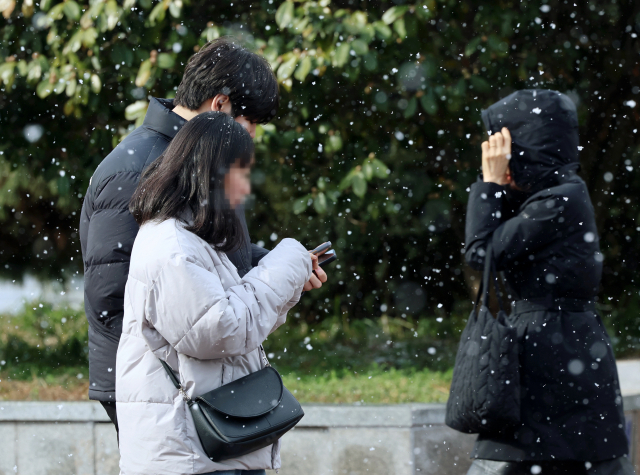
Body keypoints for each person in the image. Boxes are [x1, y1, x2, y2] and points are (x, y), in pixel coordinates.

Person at [79, 37, 327, 436]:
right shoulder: (135, 168)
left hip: (202, 376)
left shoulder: (200, 158)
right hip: (160, 386)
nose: (253, 137)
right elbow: (112, 293)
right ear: (220, 104)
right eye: (251, 123)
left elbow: (207, 251)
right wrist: (200, 342)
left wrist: (275, 267)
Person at [116, 111, 314, 475]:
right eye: (243, 172)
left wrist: (290, 281)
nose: (247, 188)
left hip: (200, 450)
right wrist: (288, 260)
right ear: (213, 172)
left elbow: (238, 330)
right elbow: (222, 331)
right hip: (188, 455)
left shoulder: (190, 239)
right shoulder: (172, 246)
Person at [464, 89, 635, 475]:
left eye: (503, 147)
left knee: (508, 463)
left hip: (551, 359)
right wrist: (500, 188)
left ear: (525, 148)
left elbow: (481, 252)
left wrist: (490, 184)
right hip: (562, 354)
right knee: (589, 461)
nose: (496, 158)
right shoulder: (556, 196)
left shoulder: (558, 201)